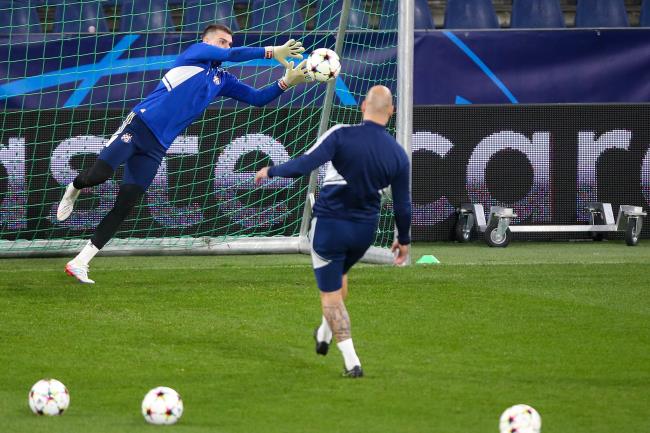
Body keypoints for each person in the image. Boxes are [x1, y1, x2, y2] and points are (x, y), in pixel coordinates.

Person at [57, 24, 312, 284]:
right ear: (207, 42)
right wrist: (271, 51)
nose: (227, 47)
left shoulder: (222, 79)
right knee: (99, 175)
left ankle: (80, 262)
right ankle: (74, 187)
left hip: (157, 147)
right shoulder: (195, 53)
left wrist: (285, 82)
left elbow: (257, 98)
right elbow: (231, 55)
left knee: (126, 204)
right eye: (222, 41)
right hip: (138, 126)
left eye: (229, 43)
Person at [255, 85, 411, 378]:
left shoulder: (341, 134)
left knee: (330, 297)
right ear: (392, 111)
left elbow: (305, 164)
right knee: (338, 279)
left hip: (330, 227)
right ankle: (324, 334)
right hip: (364, 232)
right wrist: (403, 240)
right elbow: (403, 205)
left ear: (362, 106)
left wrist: (271, 171)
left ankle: (352, 362)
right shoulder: (398, 154)